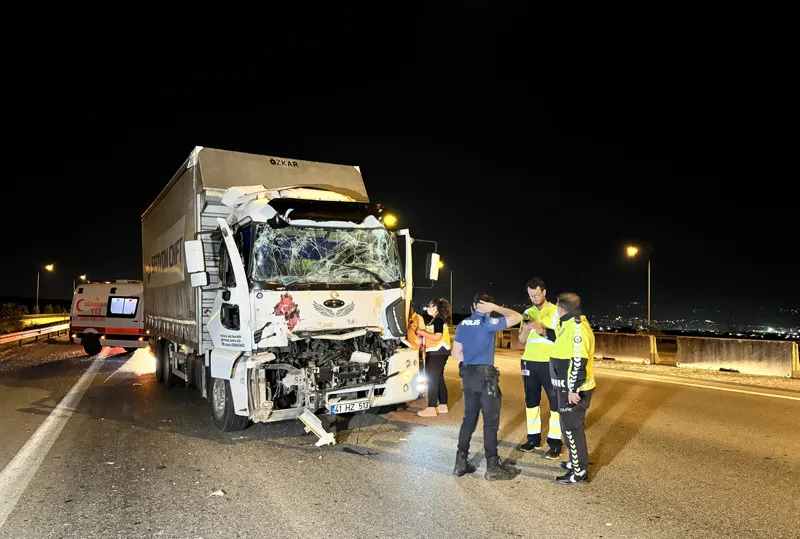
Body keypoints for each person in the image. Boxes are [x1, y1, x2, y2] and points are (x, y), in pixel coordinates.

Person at [452, 293, 523, 481]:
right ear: (486, 305)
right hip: (486, 378)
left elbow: (456, 352)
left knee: (469, 419)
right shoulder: (488, 322)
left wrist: (470, 364)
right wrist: (496, 308)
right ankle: (492, 466)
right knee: (490, 423)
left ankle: (460, 464)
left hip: (468, 375)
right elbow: (518, 317)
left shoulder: (463, 324)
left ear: (473, 305)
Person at [550, 292, 596, 484]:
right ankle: (575, 461)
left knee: (571, 428)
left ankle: (579, 472)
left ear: (561, 309)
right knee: (567, 427)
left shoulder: (577, 329)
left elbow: (578, 362)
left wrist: (573, 389)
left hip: (574, 390)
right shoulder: (567, 323)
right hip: (566, 388)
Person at [517, 278, 563, 459]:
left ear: (544, 292)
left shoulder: (556, 311)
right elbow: (521, 340)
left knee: (555, 404)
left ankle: (554, 442)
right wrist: (527, 328)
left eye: (536, 294)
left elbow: (562, 338)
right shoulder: (527, 312)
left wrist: (544, 330)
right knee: (531, 402)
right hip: (529, 362)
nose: (534, 298)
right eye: (531, 295)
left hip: (550, 363)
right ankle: (533, 439)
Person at [416, 298, 452, 417]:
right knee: (439, 378)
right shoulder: (438, 319)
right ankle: (442, 405)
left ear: (435, 308)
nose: (429, 308)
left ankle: (431, 407)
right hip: (440, 353)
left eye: (430, 306)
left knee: (431, 378)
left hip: (437, 352)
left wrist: (422, 332)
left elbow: (437, 337)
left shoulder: (438, 320)